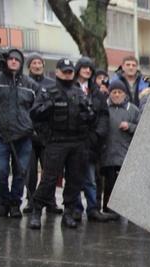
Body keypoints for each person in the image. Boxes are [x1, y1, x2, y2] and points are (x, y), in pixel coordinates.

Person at [28, 58, 95, 230]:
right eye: (64, 71)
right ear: (57, 72)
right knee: (49, 179)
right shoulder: (48, 91)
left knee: (74, 180)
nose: (67, 74)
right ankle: (37, 211)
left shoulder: (79, 93)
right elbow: (34, 114)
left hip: (77, 142)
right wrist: (47, 108)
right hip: (56, 141)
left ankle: (69, 212)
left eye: (70, 71)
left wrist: (88, 113)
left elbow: (92, 117)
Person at [0, 48, 39, 219]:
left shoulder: (31, 85)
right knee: (0, 171)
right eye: (10, 59)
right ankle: (3, 203)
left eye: (17, 59)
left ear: (21, 62)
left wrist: (33, 127)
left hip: (23, 136)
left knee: (21, 172)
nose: (13, 61)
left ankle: (15, 204)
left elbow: (38, 109)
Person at [72, 57, 111, 223]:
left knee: (90, 179)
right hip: (73, 140)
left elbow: (104, 115)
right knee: (74, 178)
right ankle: (75, 209)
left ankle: (93, 208)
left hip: (91, 141)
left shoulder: (97, 92)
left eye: (90, 68)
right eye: (84, 67)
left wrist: (98, 133)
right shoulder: (70, 88)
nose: (87, 71)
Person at [24, 52, 63, 215]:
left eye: (40, 63)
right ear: (29, 66)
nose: (37, 66)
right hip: (29, 133)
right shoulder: (24, 83)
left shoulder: (51, 84)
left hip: (48, 134)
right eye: (34, 63)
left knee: (50, 171)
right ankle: (31, 201)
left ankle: (50, 201)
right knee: (30, 172)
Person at [100, 80, 141, 213]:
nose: (117, 95)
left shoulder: (133, 110)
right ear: (109, 94)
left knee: (124, 186)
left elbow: (142, 129)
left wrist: (130, 126)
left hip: (125, 154)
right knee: (109, 184)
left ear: (125, 94)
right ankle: (108, 209)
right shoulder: (104, 108)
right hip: (108, 153)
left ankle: (124, 211)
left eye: (120, 92)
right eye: (114, 92)